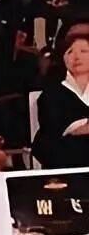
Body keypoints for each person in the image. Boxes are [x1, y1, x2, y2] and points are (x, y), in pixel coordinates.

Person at [32, 34, 89, 168]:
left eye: (83, 51)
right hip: (66, 161)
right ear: (63, 58)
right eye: (70, 52)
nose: (76, 57)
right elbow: (53, 131)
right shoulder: (51, 94)